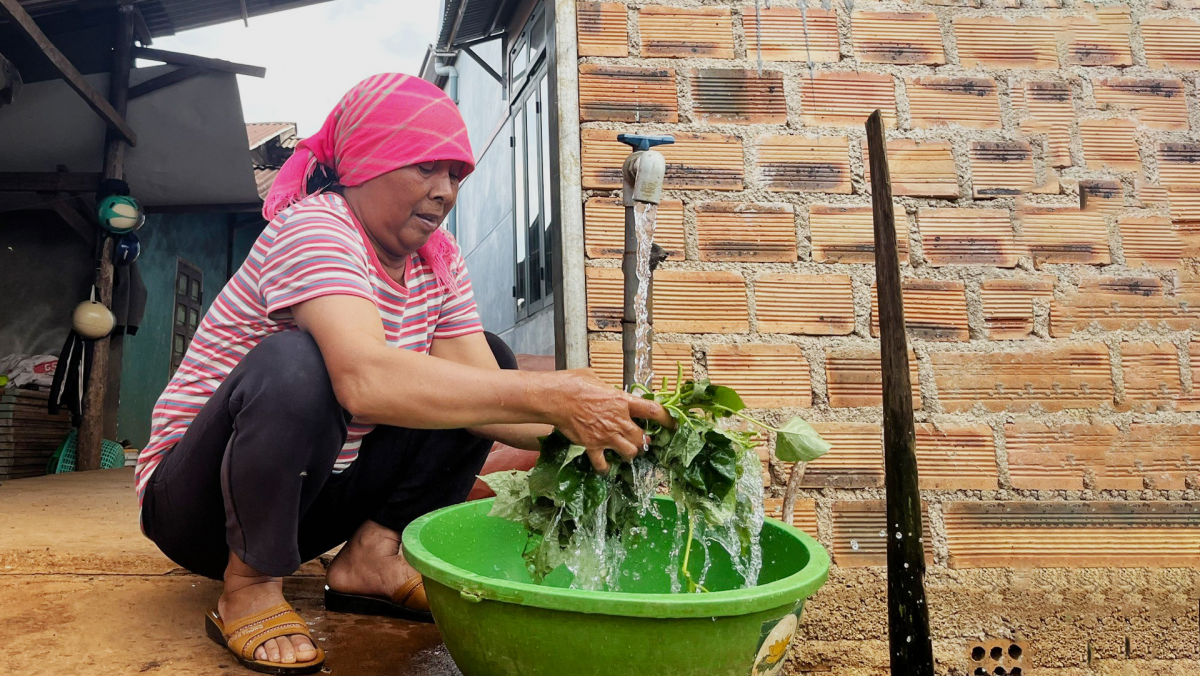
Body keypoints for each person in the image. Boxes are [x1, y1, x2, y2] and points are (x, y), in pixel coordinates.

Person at [135, 73, 670, 675]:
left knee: (485, 361)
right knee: (300, 363)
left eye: (456, 176)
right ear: (366, 164)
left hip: (309, 503)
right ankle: (250, 584)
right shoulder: (317, 227)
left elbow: (491, 406)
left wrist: (609, 426)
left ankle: (371, 558)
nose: (444, 192)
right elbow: (362, 378)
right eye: (425, 169)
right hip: (200, 505)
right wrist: (555, 394)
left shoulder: (436, 261)